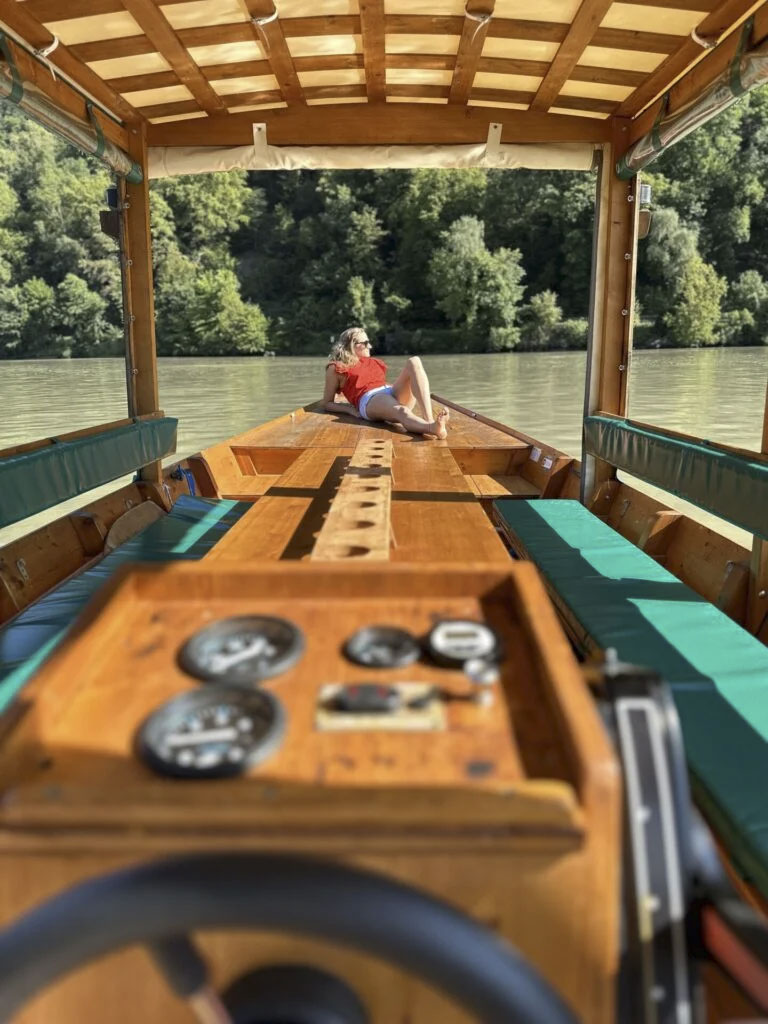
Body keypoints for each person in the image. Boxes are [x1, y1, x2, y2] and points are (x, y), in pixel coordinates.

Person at [322, 327, 449, 439]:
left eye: (368, 342)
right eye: (365, 343)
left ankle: (429, 420)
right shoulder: (337, 367)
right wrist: (349, 409)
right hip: (369, 399)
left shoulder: (373, 362)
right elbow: (327, 403)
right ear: (351, 345)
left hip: (387, 392)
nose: (370, 346)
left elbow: (378, 383)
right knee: (402, 411)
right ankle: (432, 428)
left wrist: (393, 389)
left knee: (414, 361)